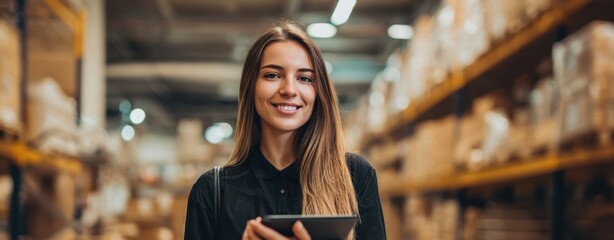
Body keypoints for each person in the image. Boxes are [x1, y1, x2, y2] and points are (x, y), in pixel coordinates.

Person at [184, 21, 386, 240]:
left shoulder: (355, 177)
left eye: (305, 78)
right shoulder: (212, 192)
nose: (289, 89)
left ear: (319, 94)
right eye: (272, 75)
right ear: (250, 87)